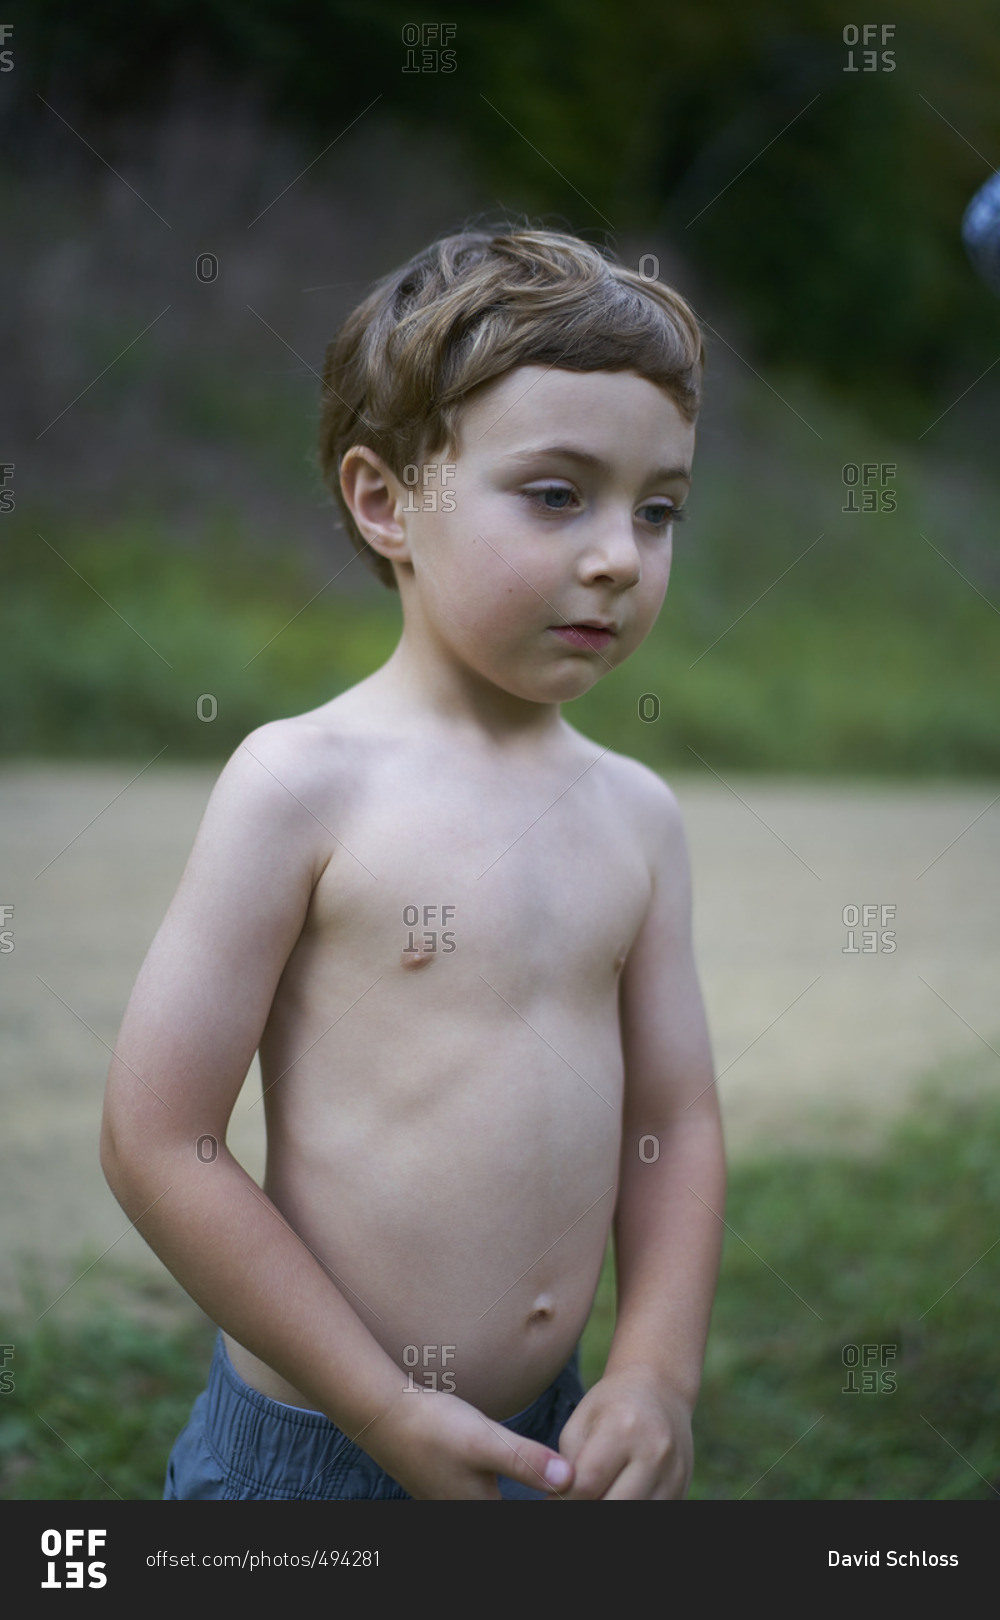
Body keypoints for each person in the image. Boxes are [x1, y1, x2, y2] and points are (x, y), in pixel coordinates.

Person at [100, 222, 726, 1501]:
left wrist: (656, 1367)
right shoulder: (303, 786)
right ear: (386, 501)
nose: (618, 554)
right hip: (321, 1455)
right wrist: (381, 1405)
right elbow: (158, 1137)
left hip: (546, 1443)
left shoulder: (636, 812)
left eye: (656, 510)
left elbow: (675, 1119)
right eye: (557, 494)